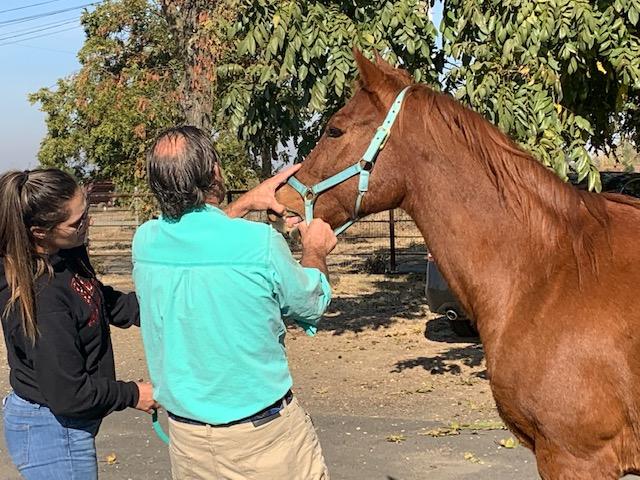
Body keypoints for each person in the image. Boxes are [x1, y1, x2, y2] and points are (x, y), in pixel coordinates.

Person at [133, 126, 337, 480]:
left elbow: (198, 240)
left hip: (187, 442)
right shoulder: (259, 243)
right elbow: (309, 303)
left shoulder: (146, 242)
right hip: (263, 441)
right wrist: (315, 249)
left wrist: (243, 203)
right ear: (214, 170)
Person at [0, 168, 158, 480]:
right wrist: (133, 393)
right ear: (39, 232)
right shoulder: (42, 299)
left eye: (85, 211)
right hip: (52, 428)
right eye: (77, 222)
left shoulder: (65, 252)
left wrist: (159, 309)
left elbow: (97, 299)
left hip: (63, 422)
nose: (88, 223)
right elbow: (69, 394)